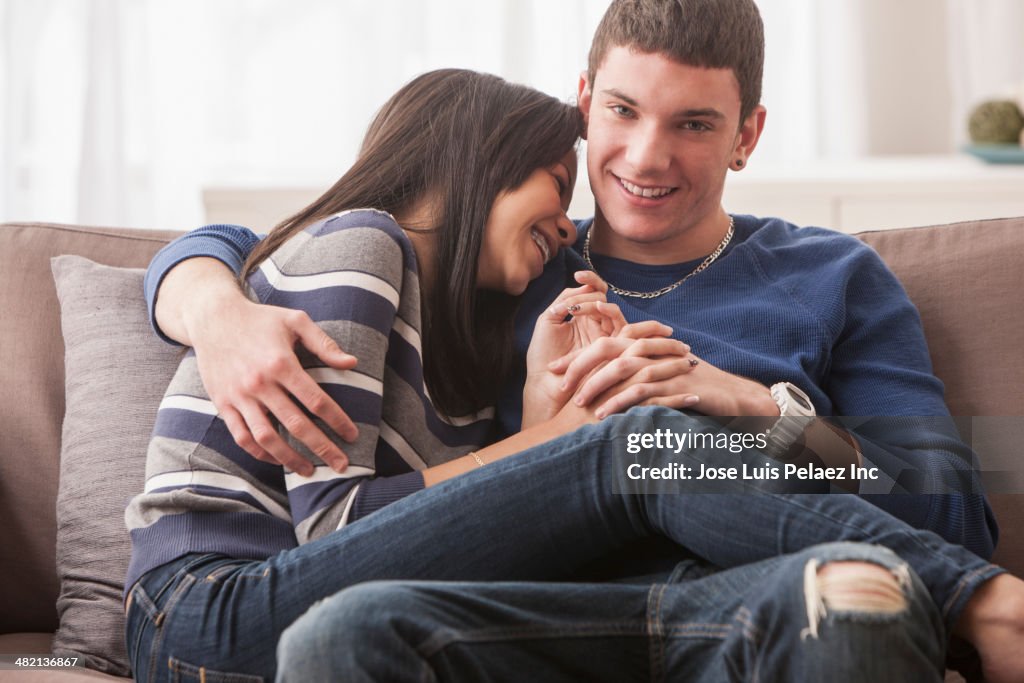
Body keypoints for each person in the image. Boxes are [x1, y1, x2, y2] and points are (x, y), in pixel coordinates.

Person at [137, 1, 1024, 681]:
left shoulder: (835, 272)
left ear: (747, 136)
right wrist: (215, 304)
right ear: (585, 103)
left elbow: (953, 506)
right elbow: (292, 242)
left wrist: (760, 411)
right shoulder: (504, 264)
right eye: (625, 112)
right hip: (521, 618)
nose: (644, 157)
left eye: (695, 124)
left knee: (855, 598)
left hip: (754, 604)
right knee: (345, 631)